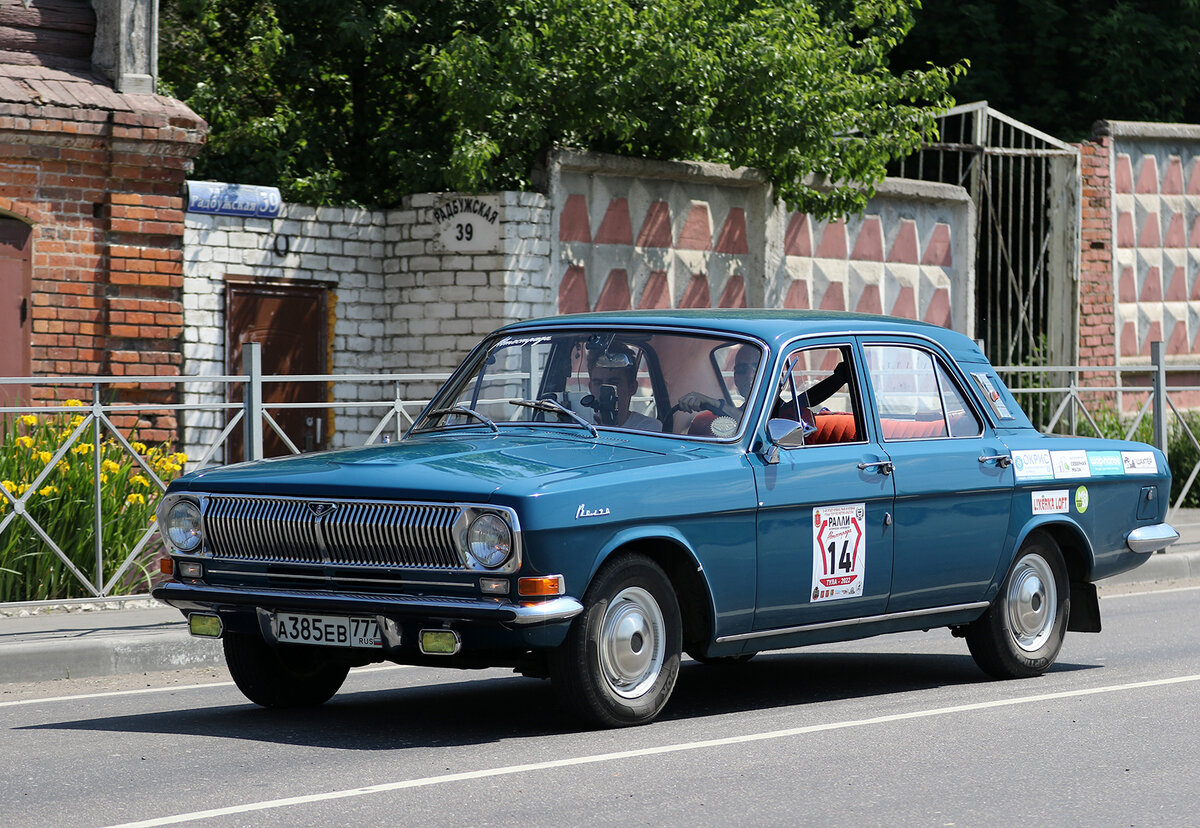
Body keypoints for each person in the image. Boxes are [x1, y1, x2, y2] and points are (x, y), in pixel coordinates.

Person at [585, 343, 663, 432]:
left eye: (613, 383)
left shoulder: (648, 428)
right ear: (590, 387)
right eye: (598, 383)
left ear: (632, 387)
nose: (604, 390)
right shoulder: (578, 425)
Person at [677, 344, 760, 421]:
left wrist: (715, 404)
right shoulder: (719, 422)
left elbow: (753, 426)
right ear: (735, 379)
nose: (749, 374)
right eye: (741, 369)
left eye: (757, 366)